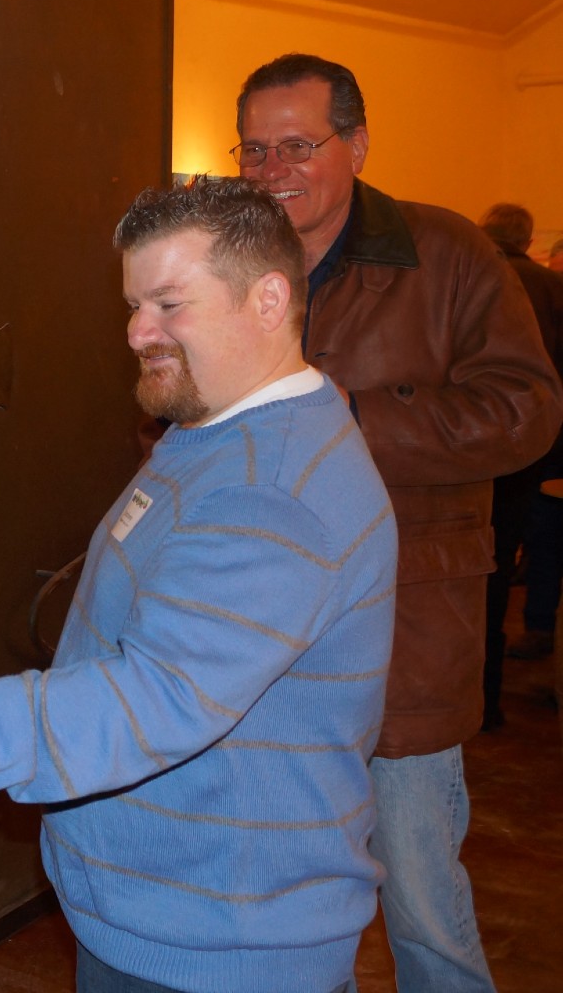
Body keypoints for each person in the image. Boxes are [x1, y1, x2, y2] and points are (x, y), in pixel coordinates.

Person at [0, 177, 398, 993]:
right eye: (135, 305)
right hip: (171, 917)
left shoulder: (271, 488)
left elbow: (150, 700)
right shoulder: (213, 433)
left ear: (269, 299)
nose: (140, 331)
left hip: (219, 949)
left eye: (169, 304)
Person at [228, 55, 560, 991]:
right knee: (281, 895)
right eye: (255, 148)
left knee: (421, 901)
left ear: (359, 144)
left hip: (405, 624)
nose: (273, 168)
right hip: (256, 627)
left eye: (299, 144)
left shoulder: (447, 253)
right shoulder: (232, 256)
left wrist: (357, 418)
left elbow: (528, 410)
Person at [478, 203, 563, 669]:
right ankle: (534, 633)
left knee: (482, 558)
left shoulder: (464, 278)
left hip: (472, 441)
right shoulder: (553, 288)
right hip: (541, 443)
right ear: (528, 241)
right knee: (534, 543)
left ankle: (482, 685)